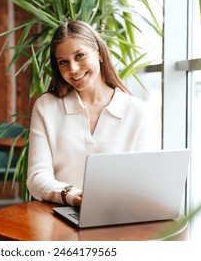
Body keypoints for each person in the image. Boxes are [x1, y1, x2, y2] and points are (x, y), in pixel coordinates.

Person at [27, 20, 151, 207]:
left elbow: (145, 180)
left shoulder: (137, 111)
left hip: (117, 213)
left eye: (80, 56)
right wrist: (72, 196)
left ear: (99, 53)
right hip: (60, 213)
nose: (73, 69)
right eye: (63, 62)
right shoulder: (46, 107)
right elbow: (37, 178)